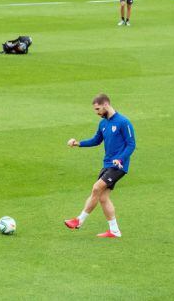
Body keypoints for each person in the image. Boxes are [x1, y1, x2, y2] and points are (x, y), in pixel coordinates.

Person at [64, 94, 135, 238]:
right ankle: (114, 231)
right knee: (102, 198)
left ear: (106, 105)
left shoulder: (123, 122)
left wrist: (120, 159)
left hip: (119, 166)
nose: (97, 112)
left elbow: (131, 144)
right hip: (107, 164)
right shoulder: (103, 123)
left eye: (98, 109)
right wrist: (79, 143)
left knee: (96, 188)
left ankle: (79, 221)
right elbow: (96, 140)